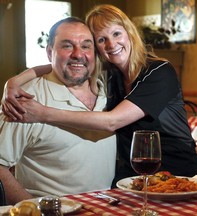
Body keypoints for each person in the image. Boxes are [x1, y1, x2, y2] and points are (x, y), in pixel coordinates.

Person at [2, 4, 197, 187]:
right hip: (133, 183)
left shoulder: (159, 71)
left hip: (180, 178)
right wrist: (13, 83)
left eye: (117, 34)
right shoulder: (110, 77)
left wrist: (43, 113)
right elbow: (64, 62)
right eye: (101, 39)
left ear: (129, 33)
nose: (111, 44)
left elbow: (112, 122)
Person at [0, 17, 117, 205]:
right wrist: (35, 207)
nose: (78, 54)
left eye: (86, 46)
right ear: (49, 52)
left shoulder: (109, 90)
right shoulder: (25, 99)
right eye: (67, 46)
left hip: (107, 207)